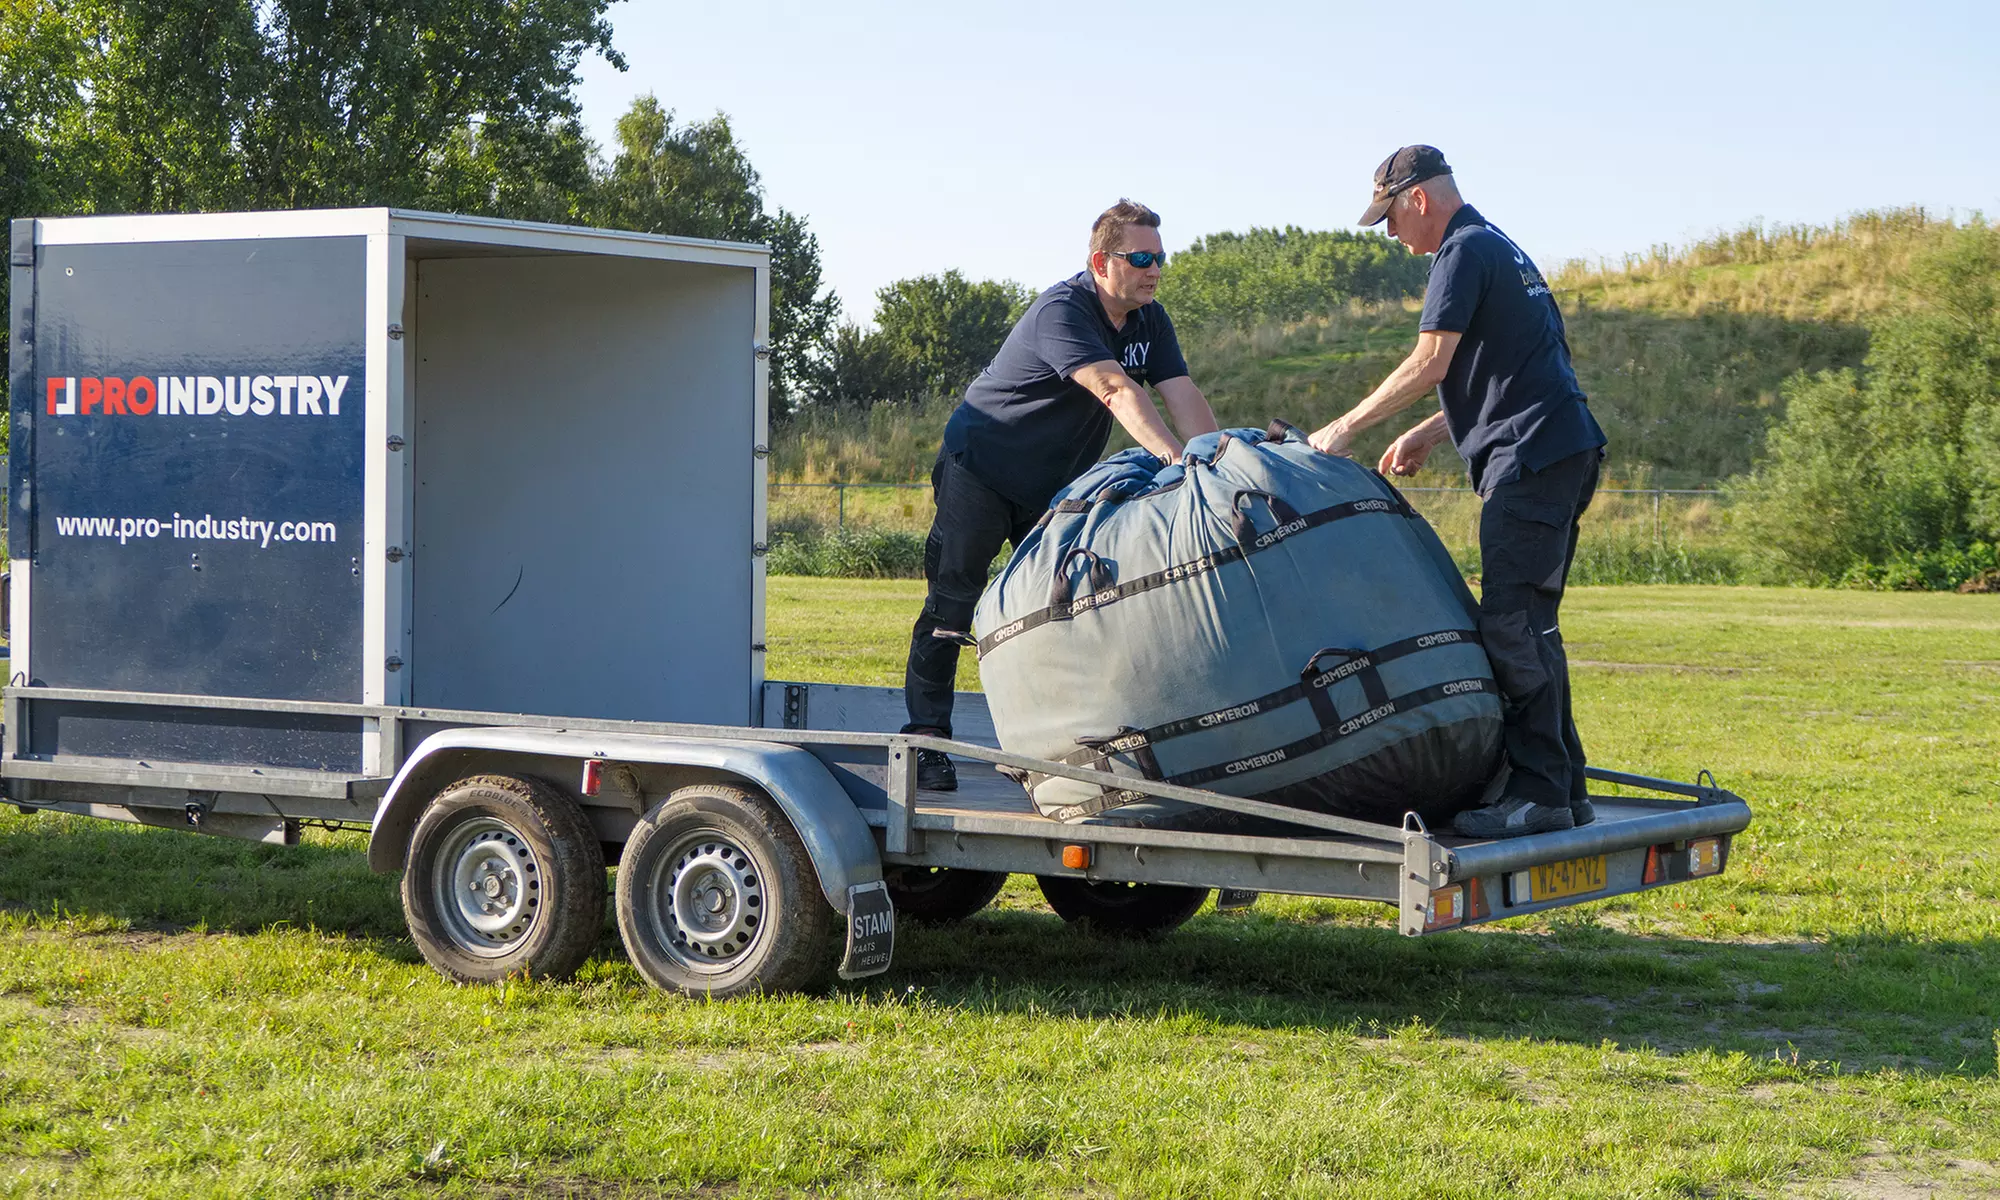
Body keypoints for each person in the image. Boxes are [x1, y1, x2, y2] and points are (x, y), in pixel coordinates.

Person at [1309, 146, 1606, 838]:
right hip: (1561, 446)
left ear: (1416, 198)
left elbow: (1432, 359)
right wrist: (1426, 434)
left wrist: (1344, 426)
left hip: (1530, 458)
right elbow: (1509, 369)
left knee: (1511, 625)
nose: (1392, 236)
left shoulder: (1460, 254)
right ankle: (1565, 785)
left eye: (1390, 218)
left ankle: (1536, 793)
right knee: (1536, 625)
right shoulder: (1504, 249)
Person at [902, 199, 1221, 790]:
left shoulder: (1151, 320)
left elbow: (1180, 391)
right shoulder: (1063, 310)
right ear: (1102, 261)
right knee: (952, 607)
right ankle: (925, 745)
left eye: (1161, 257)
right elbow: (1113, 388)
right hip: (982, 470)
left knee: (1061, 612)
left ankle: (1047, 753)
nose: (1155, 270)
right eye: (1142, 257)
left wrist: (1217, 461)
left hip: (1051, 489)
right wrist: (1172, 458)